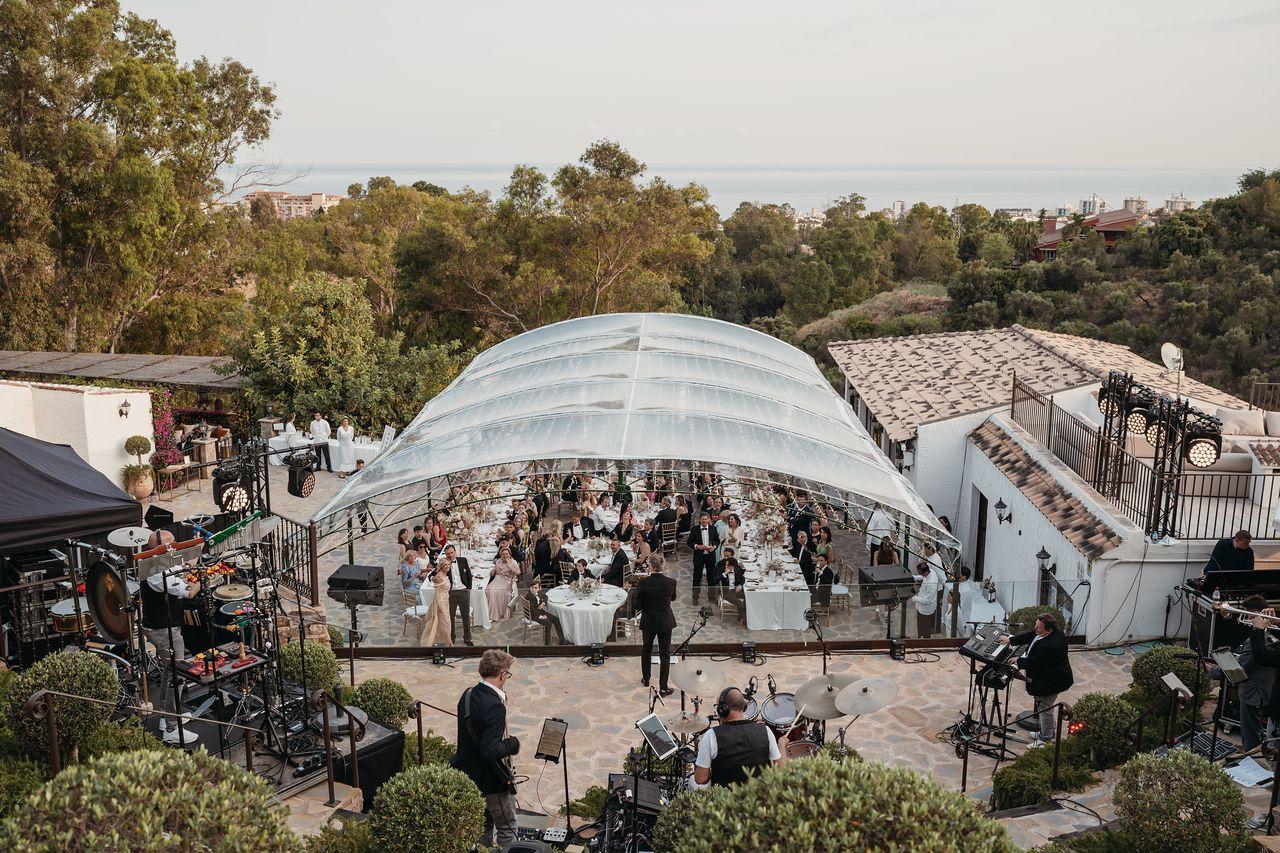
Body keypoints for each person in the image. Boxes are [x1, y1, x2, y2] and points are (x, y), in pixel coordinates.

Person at [453, 650, 521, 848]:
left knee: (482, 827)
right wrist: (513, 744)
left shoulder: (467, 695)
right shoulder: (495, 706)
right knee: (507, 828)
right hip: (491, 782)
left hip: (469, 775)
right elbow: (490, 751)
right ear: (502, 675)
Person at [998, 613, 1074, 747]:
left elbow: (1035, 662)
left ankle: (1045, 738)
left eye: (1039, 627)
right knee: (1043, 707)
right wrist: (1011, 640)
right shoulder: (1045, 632)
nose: (1036, 629)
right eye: (1036, 625)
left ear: (1048, 630)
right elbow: (1030, 635)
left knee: (1045, 709)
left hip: (1051, 682)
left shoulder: (1050, 645)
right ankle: (1047, 732)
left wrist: (1019, 660)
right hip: (1048, 677)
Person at [140, 569, 198, 742]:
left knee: (169, 670)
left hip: (165, 627)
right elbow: (189, 592)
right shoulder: (157, 574)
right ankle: (172, 729)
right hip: (163, 630)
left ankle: (167, 717)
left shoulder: (157, 567)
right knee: (177, 674)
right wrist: (202, 579)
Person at [1212, 595, 1274, 753]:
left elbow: (1242, 667)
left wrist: (1212, 670)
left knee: (1250, 736)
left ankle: (1250, 761)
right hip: (1260, 691)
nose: (1246, 617)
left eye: (1248, 613)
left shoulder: (1261, 638)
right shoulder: (1265, 637)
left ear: (1256, 612)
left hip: (1254, 693)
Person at [694, 687, 783, 787]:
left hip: (725, 801)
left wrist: (711, 770)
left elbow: (700, 779)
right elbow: (781, 770)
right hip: (758, 799)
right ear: (744, 707)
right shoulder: (766, 731)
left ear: (722, 710)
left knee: (692, 784)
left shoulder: (712, 735)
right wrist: (782, 746)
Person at [637, 554, 677, 695]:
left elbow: (638, 605)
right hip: (665, 621)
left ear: (651, 566)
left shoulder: (643, 583)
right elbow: (674, 597)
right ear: (662, 566)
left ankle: (646, 679)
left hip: (649, 621)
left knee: (646, 649)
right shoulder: (671, 582)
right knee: (665, 653)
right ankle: (663, 687)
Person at [433, 544, 474, 646]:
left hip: (463, 591)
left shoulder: (463, 560)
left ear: (455, 552)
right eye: (448, 554)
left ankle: (467, 638)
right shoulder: (444, 563)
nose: (450, 555)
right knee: (450, 617)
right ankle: (452, 638)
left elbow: (469, 574)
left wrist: (469, 588)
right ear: (445, 554)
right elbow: (433, 574)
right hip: (450, 593)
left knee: (466, 616)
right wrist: (433, 579)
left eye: (452, 552)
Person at [688, 512, 720, 605]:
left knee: (711, 577)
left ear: (709, 520)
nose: (704, 521)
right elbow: (689, 542)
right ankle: (695, 597)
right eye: (702, 519)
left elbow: (717, 541)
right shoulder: (694, 529)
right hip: (699, 556)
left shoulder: (713, 528)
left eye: (706, 519)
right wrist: (697, 546)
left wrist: (714, 547)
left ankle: (712, 596)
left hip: (710, 556)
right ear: (700, 520)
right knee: (697, 577)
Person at [420, 559, 452, 646]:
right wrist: (440, 606)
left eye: (448, 564)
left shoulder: (446, 572)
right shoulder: (439, 576)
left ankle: (444, 641)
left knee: (443, 623)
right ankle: (446, 642)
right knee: (445, 623)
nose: (447, 566)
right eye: (445, 565)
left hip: (446, 601)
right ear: (441, 566)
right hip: (440, 602)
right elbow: (438, 592)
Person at [525, 578, 567, 645]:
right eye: (532, 587)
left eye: (536, 588)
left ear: (538, 588)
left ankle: (562, 640)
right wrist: (541, 617)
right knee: (548, 623)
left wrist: (543, 603)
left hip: (539, 611)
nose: (533, 589)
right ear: (530, 587)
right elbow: (532, 610)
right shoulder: (529, 596)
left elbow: (545, 597)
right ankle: (547, 643)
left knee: (556, 619)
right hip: (534, 615)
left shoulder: (538, 592)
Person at [487, 545, 520, 621]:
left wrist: (509, 564)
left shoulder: (513, 561)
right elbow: (492, 574)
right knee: (488, 590)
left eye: (506, 554)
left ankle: (498, 614)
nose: (505, 556)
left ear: (509, 554)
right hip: (497, 579)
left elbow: (518, 572)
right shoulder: (499, 561)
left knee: (496, 591)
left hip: (507, 580)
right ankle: (491, 613)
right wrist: (494, 569)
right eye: (503, 554)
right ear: (501, 555)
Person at [909, 562, 941, 639]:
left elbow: (927, 600)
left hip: (926, 610)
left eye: (921, 573)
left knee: (926, 629)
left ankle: (925, 641)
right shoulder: (931, 571)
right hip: (921, 606)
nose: (920, 574)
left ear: (926, 571)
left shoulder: (931, 584)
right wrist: (915, 577)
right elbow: (924, 577)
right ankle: (920, 636)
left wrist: (914, 597)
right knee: (920, 625)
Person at [943, 566, 976, 638]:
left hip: (960, 621)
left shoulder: (966, 591)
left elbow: (964, 608)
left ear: (964, 577)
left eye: (959, 575)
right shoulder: (957, 584)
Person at [717, 548, 747, 625]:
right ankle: (744, 619)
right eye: (726, 565)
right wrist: (724, 574)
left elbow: (743, 578)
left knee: (748, 597)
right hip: (727, 592)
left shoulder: (737, 569)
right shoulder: (722, 569)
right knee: (740, 603)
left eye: (728, 565)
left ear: (733, 566)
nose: (726, 566)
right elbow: (715, 579)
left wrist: (740, 585)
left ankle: (741, 615)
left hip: (736, 590)